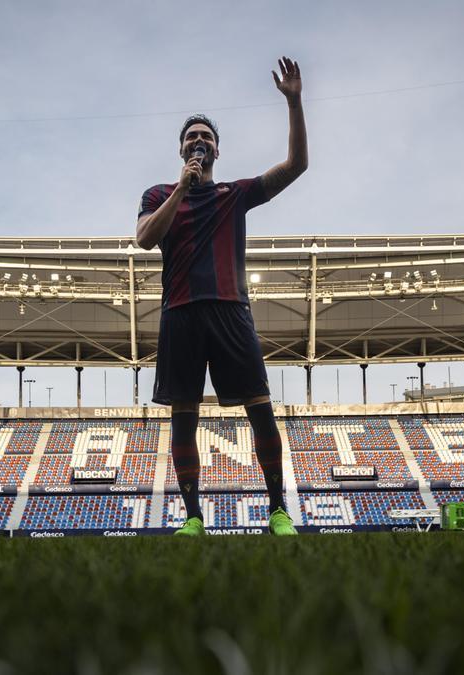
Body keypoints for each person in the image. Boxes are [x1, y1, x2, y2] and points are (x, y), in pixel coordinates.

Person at [135, 57, 307, 536]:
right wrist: (182, 190)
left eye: (206, 137)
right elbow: (146, 238)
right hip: (181, 315)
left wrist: (294, 102)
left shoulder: (235, 193)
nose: (198, 142)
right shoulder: (157, 194)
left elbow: (297, 166)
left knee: (260, 409)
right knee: (183, 419)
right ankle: (192, 518)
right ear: (181, 150)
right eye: (191, 137)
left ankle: (278, 511)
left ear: (217, 149)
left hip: (232, 312)